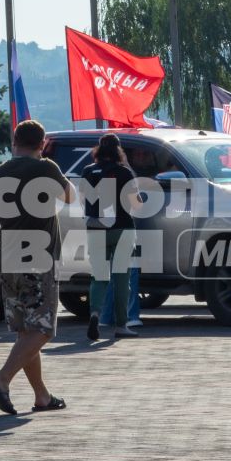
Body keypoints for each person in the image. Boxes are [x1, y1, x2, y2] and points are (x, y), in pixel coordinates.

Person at [0, 120, 74, 414]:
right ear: (42, 143)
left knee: (26, 330)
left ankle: (41, 396)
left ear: (15, 142)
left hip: (8, 258)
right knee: (43, 329)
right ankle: (2, 379)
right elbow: (71, 196)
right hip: (39, 259)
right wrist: (49, 165)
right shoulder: (45, 168)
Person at [81, 134, 138, 341]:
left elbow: (84, 200)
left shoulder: (87, 171)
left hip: (95, 229)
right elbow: (137, 203)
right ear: (118, 151)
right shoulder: (124, 172)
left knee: (98, 276)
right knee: (122, 277)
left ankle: (95, 314)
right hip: (122, 228)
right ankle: (122, 325)